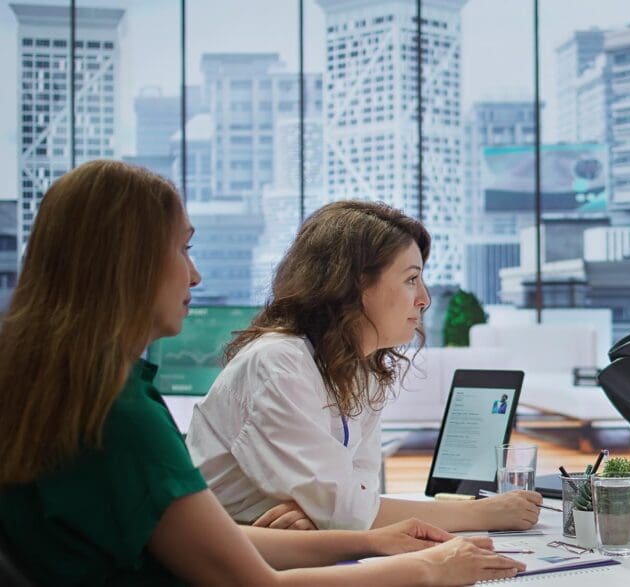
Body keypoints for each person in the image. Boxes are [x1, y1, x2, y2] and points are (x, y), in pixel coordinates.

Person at [0, 160, 525, 585]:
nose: (196, 273)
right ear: (126, 263)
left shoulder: (93, 395)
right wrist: (428, 568)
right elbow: (264, 577)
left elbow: (340, 509)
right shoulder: (120, 414)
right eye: (183, 249)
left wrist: (364, 538)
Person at [186, 200, 542, 532]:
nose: (424, 298)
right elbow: (349, 510)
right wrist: (482, 514)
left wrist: (324, 514)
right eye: (410, 279)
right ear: (354, 285)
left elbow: (356, 497)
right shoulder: (278, 363)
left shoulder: (360, 371)